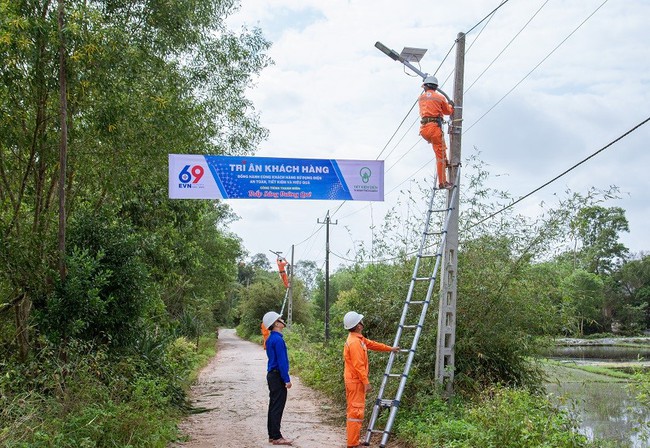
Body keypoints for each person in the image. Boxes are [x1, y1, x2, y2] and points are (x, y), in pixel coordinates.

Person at [343, 311, 399, 448]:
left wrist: (390, 349)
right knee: (355, 412)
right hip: (356, 381)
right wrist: (365, 382)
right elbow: (358, 365)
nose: (363, 322)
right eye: (361, 321)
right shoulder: (355, 343)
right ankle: (352, 443)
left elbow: (373, 344)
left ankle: (354, 440)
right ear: (358, 326)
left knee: (355, 411)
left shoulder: (358, 339)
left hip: (355, 380)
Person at [418, 75, 455, 190]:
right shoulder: (440, 97)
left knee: (441, 150)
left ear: (425, 86)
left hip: (424, 129)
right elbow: (448, 111)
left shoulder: (421, 98)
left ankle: (446, 162)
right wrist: (451, 106)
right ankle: (442, 182)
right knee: (440, 156)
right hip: (434, 128)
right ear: (435, 86)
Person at [263, 311, 293, 446]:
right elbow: (282, 362)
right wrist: (286, 379)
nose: (282, 321)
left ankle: (272, 434)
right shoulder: (278, 340)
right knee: (277, 406)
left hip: (272, 375)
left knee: (273, 405)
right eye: (280, 319)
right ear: (276, 324)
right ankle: (277, 437)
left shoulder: (270, 338)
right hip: (277, 375)